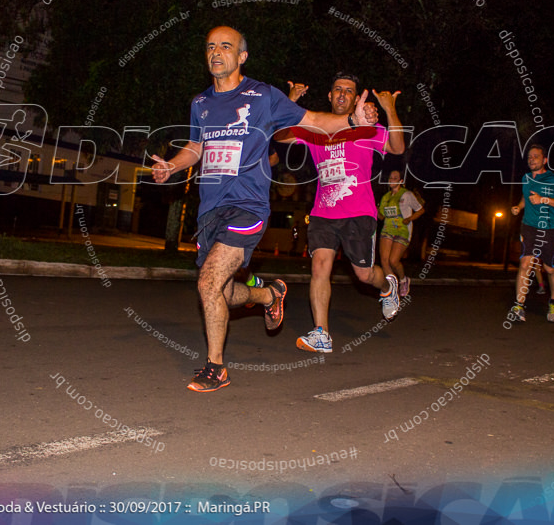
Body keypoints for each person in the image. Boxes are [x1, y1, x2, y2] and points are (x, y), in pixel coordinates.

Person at [150, 26, 378, 391]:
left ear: (242, 56)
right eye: (210, 47)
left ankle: (215, 368)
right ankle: (269, 294)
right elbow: (196, 147)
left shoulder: (263, 96)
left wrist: (353, 121)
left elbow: (314, 121)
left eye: (225, 46)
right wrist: (171, 166)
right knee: (221, 293)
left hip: (247, 207)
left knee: (207, 282)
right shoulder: (201, 103)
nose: (216, 53)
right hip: (210, 209)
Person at [275, 74, 406, 354]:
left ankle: (387, 286)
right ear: (330, 96)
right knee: (320, 266)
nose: (343, 95)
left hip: (359, 212)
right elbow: (279, 136)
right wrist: (291, 102)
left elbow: (397, 147)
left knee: (364, 274)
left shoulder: (366, 128)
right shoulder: (314, 130)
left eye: (349, 91)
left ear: (357, 98)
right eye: (338, 90)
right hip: (323, 212)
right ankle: (321, 333)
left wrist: (389, 108)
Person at [508, 144, 554, 322]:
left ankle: (553, 301)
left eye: (535, 156)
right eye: (529, 157)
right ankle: (519, 306)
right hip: (529, 226)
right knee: (525, 263)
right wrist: (519, 207)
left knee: (550, 268)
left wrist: (544, 199)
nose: (531, 159)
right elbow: (525, 196)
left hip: (549, 228)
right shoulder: (526, 178)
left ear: (545, 160)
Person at [378, 169, 425, 297]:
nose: (391, 180)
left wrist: (409, 219)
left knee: (393, 261)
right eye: (390, 178)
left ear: (401, 181)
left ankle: (403, 280)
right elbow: (382, 217)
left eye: (395, 178)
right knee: (384, 260)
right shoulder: (385, 198)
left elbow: (420, 210)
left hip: (402, 231)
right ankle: (392, 288)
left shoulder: (407, 195)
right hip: (387, 229)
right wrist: (373, 209)